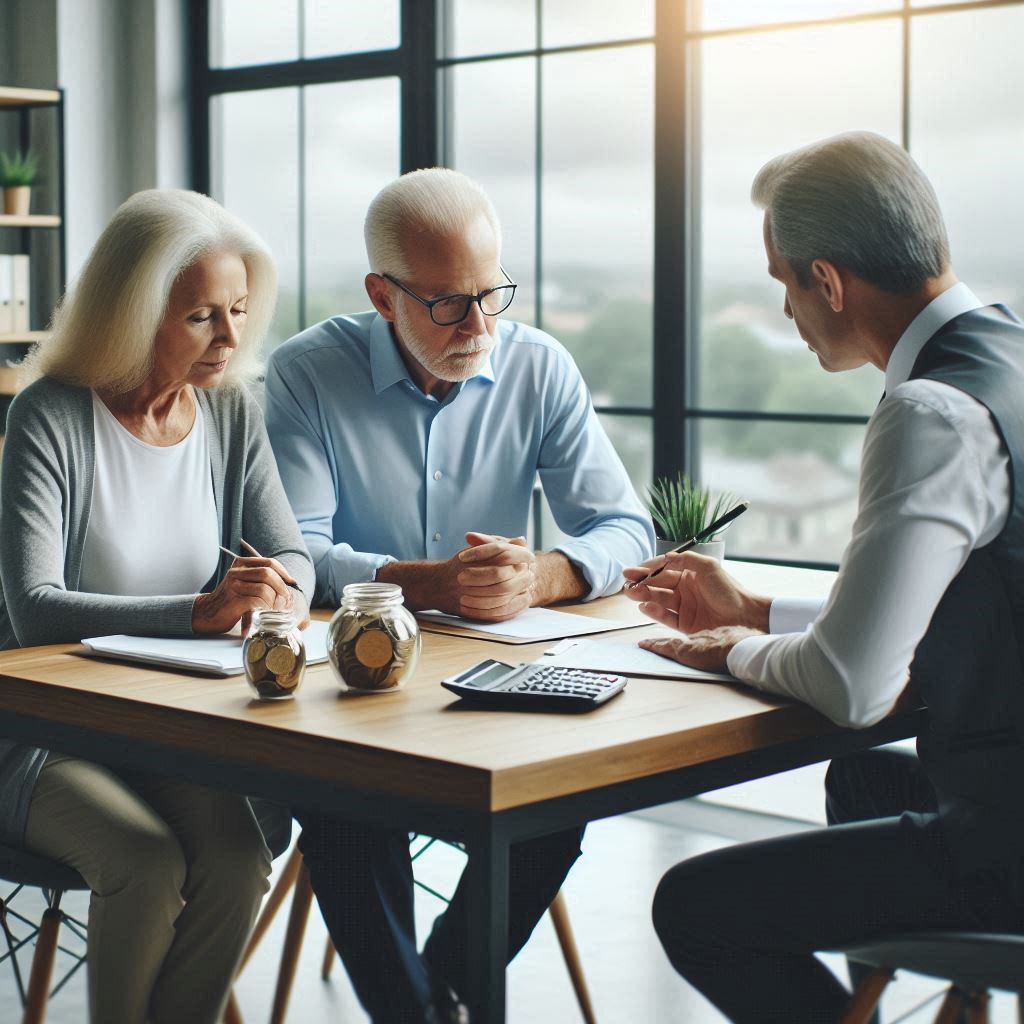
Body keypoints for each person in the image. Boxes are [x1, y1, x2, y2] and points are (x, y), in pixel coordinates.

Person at [623, 131, 1024, 1023]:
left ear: (829, 282)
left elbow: (850, 685)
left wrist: (737, 649)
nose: (788, 314)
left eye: (783, 286)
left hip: (1010, 845)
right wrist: (759, 604)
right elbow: (956, 605)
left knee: (695, 909)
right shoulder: (1011, 353)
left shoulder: (931, 411)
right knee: (865, 781)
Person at [264, 167, 654, 1023]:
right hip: (351, 688)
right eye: (446, 303)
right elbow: (298, 553)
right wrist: (420, 581)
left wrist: (542, 575)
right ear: (382, 294)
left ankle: (441, 984)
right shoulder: (304, 374)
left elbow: (629, 529)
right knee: (347, 808)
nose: (477, 325)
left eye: (489, 294)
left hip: (493, 682)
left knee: (559, 798)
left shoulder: (540, 365)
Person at [0, 189, 315, 1024]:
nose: (231, 336)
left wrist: (278, 589)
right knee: (144, 861)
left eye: (240, 309)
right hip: (43, 733)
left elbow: (294, 555)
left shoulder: (229, 410)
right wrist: (200, 613)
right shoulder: (51, 413)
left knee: (237, 856)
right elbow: (33, 610)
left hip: (171, 726)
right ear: (135, 311)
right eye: (202, 315)